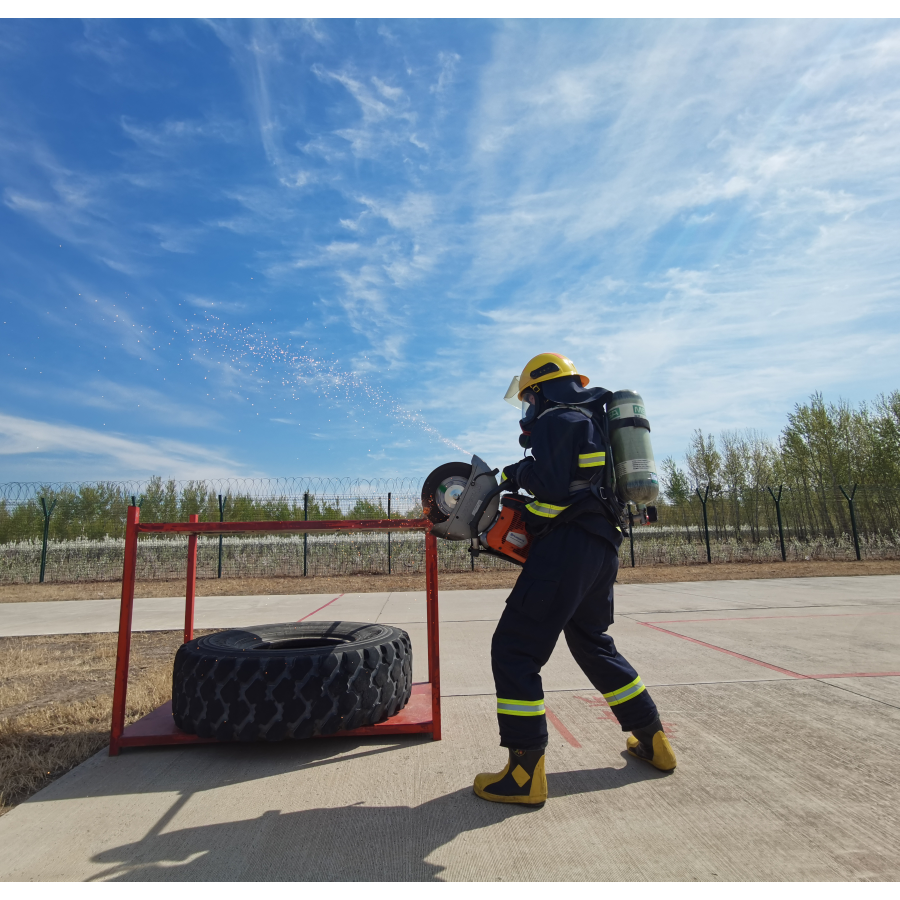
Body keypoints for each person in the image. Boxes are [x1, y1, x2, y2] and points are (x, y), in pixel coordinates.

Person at [473, 352, 676, 807]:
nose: (526, 406)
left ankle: (524, 772)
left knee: (515, 649)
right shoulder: (595, 423)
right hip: (602, 549)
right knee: (591, 640)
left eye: (527, 396)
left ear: (542, 389)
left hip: (568, 547)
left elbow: (548, 487)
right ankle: (652, 737)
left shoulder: (557, 418)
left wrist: (512, 478)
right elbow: (573, 487)